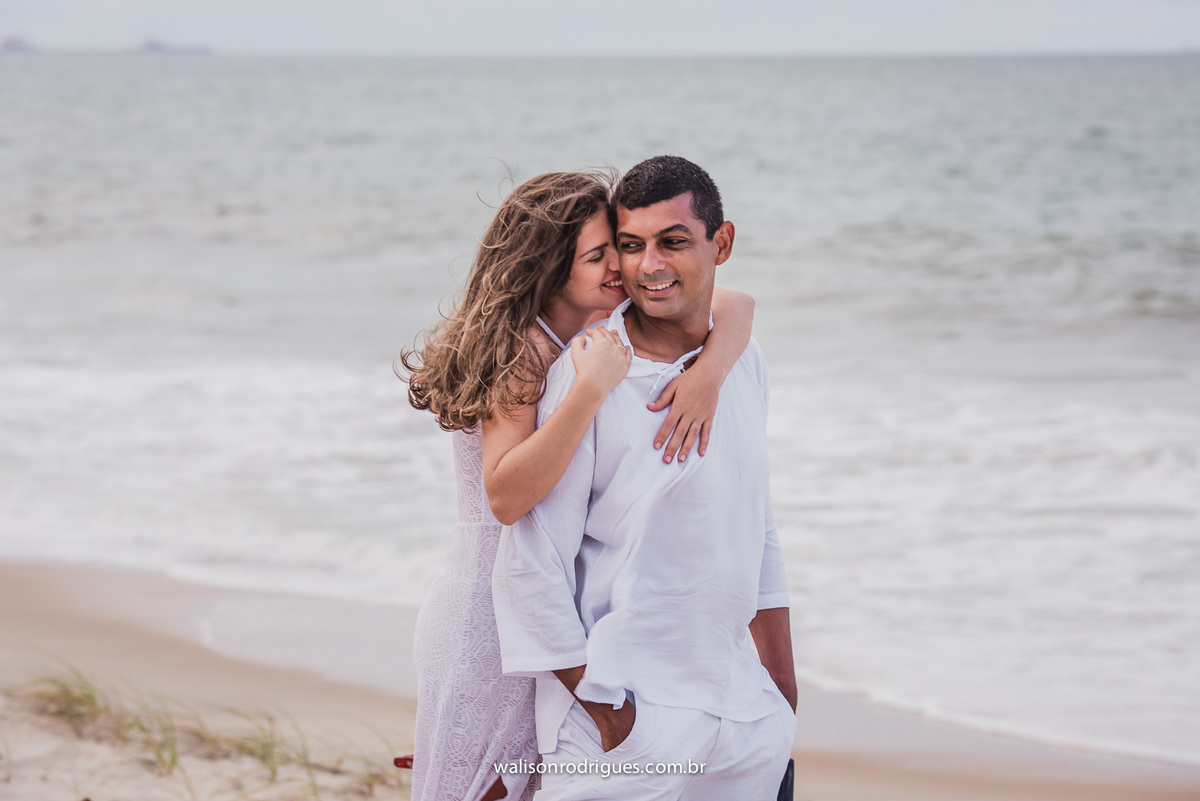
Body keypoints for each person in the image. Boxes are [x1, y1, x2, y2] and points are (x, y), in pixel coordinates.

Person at [398, 170, 756, 801]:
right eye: (598, 256)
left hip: (548, 610)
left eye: (617, 247)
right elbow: (506, 498)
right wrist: (589, 390)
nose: (622, 267)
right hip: (491, 613)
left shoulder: (588, 331)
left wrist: (710, 373)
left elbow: (736, 302)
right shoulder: (523, 352)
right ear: (548, 268)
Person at [492, 156, 796, 801]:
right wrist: (608, 711)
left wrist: (781, 690)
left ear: (722, 243)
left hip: (743, 719)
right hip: (627, 722)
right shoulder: (590, 373)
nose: (649, 265)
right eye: (630, 246)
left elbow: (756, 526)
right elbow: (532, 557)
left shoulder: (743, 360)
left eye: (673, 241)